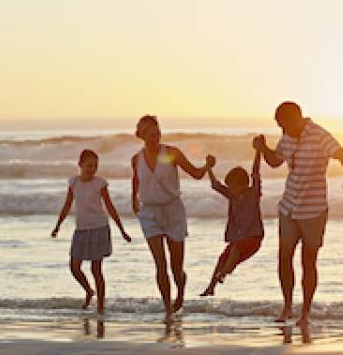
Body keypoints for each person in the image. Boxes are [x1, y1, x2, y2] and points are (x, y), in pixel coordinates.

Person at [253, 102, 343, 325]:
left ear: (296, 119)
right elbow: (274, 161)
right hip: (289, 206)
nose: (282, 130)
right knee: (284, 257)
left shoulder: (319, 135)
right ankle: (287, 308)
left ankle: (305, 314)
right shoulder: (287, 137)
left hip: (313, 210)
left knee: (308, 261)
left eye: (284, 125)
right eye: (279, 126)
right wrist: (263, 149)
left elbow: (341, 154)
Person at [132, 115, 215, 322]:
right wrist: (134, 198)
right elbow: (137, 178)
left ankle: (180, 294)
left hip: (173, 211)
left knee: (176, 267)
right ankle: (168, 309)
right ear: (141, 136)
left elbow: (195, 174)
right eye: (150, 135)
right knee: (160, 264)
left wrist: (207, 166)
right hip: (149, 213)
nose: (155, 138)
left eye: (157, 133)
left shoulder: (170, 154)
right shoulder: (136, 159)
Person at [51, 149, 132, 314]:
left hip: (99, 229)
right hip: (81, 230)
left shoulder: (99, 184)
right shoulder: (73, 183)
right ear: (80, 165)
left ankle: (101, 307)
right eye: (89, 165)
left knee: (96, 270)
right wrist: (58, 225)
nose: (92, 169)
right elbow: (67, 206)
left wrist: (122, 230)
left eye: (95, 166)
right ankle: (89, 291)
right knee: (74, 267)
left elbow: (110, 206)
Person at [200, 148, 264, 297]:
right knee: (222, 258)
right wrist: (209, 168)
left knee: (235, 248)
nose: (232, 190)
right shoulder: (232, 195)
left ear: (244, 185)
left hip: (253, 238)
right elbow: (216, 185)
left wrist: (258, 152)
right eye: (230, 188)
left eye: (234, 187)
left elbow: (255, 172)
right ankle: (211, 287)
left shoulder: (253, 193)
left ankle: (223, 274)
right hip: (239, 239)